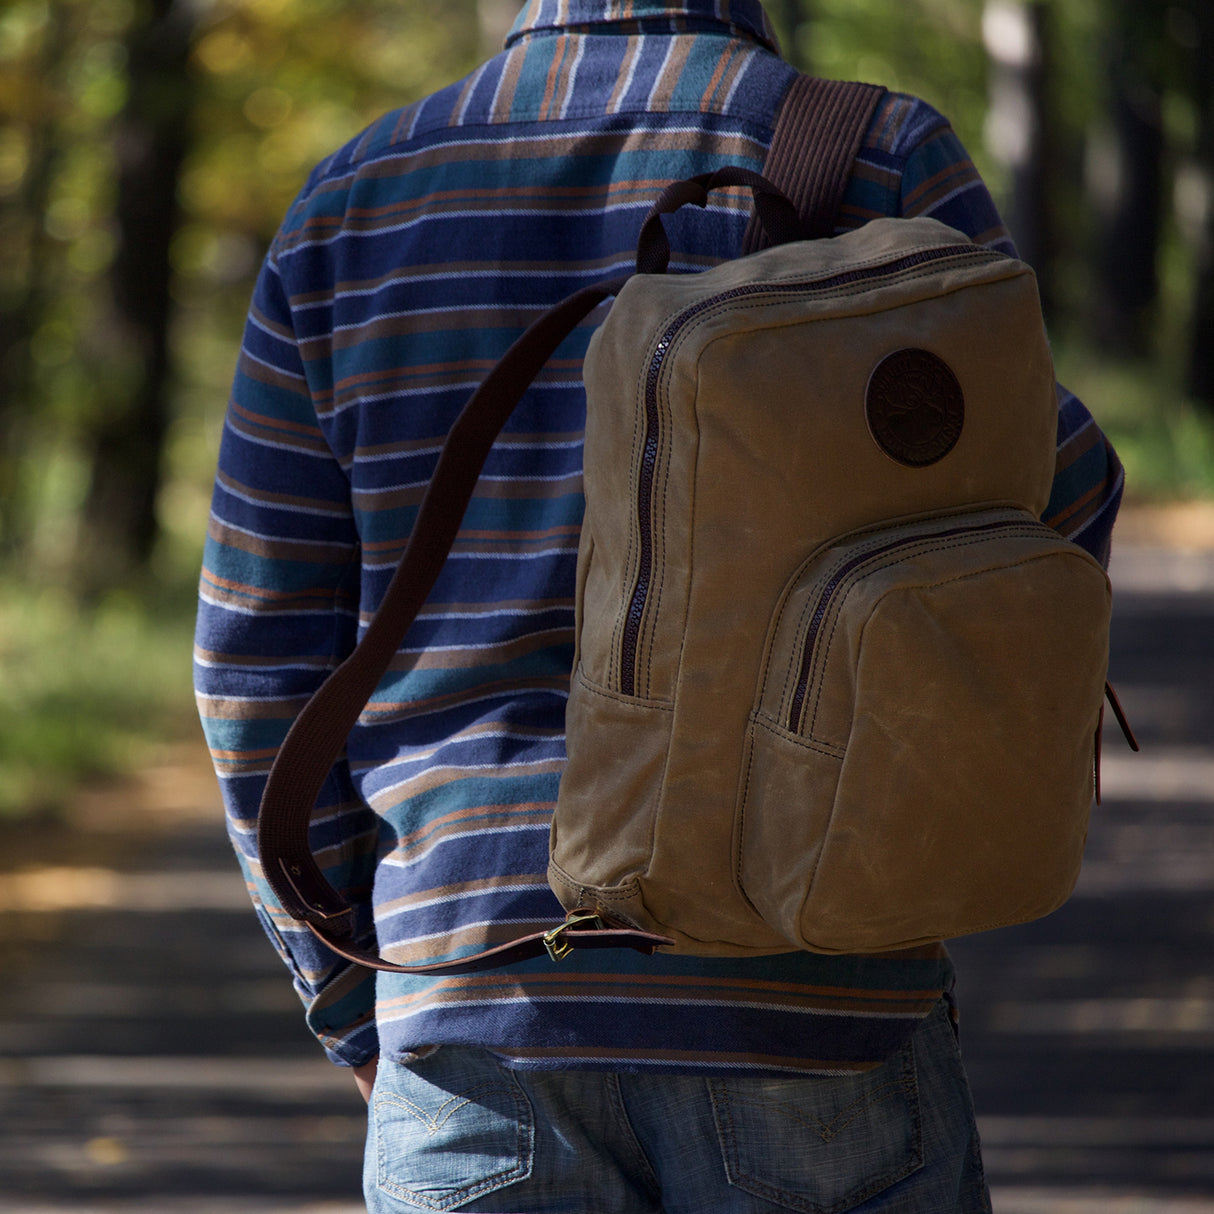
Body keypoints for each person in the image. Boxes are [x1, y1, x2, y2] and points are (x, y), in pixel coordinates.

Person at [194, 2, 1123, 1210]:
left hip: (468, 985)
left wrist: (356, 999)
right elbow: (1050, 501)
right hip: (811, 980)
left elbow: (254, 663)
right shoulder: (870, 156)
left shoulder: (352, 202)